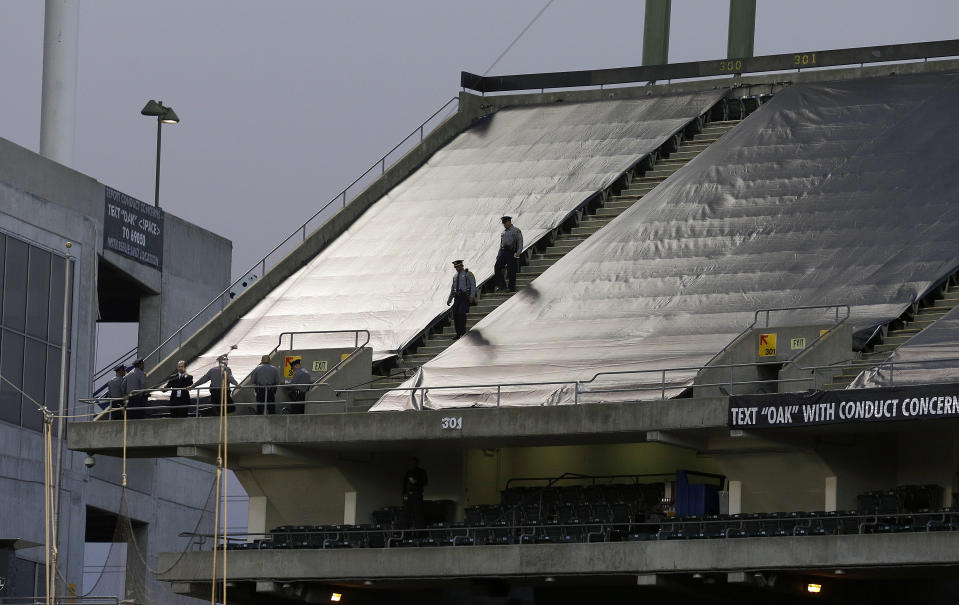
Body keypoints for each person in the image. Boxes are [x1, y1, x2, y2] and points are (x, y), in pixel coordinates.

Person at [446, 259, 477, 339]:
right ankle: (458, 333)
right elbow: (453, 288)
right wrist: (450, 298)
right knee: (455, 314)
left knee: (461, 313)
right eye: (455, 267)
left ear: (462, 266)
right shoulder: (455, 276)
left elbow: (473, 285)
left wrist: (472, 296)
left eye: (458, 266)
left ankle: (463, 332)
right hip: (457, 297)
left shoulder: (467, 273)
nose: (457, 268)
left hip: (464, 296)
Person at [493, 216, 523, 292]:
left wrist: (518, 252)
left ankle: (511, 287)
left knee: (511, 270)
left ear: (509, 222)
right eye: (503, 223)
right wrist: (498, 254)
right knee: (497, 267)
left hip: (511, 252)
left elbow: (520, 242)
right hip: (503, 252)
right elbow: (501, 244)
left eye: (505, 223)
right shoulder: (503, 232)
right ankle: (502, 285)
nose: (504, 225)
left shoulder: (516, 231)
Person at [402, 457, 428, 529]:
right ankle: (407, 531)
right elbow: (405, 484)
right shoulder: (408, 472)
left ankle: (420, 531)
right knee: (407, 514)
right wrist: (404, 494)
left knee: (418, 513)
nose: (412, 464)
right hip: (407, 495)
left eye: (413, 462)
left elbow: (424, 482)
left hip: (416, 494)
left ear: (416, 463)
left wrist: (415, 482)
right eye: (411, 462)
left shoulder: (421, 472)